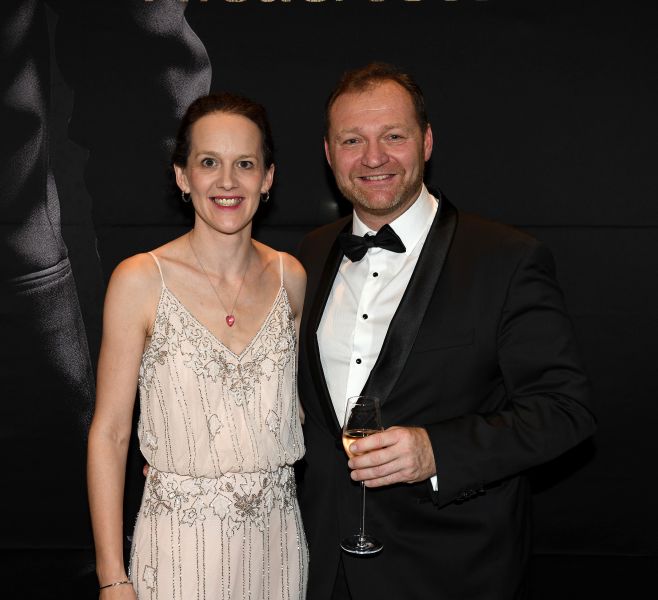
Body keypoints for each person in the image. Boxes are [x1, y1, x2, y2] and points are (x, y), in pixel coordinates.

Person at [296, 62, 596, 599]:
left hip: (449, 570)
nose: (373, 157)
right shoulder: (309, 255)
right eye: (352, 140)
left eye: (393, 136)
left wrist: (438, 451)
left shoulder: (505, 259)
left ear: (427, 141)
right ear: (328, 153)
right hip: (320, 567)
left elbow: (564, 411)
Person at [87, 92, 308, 599]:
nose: (227, 181)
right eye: (209, 162)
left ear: (267, 178)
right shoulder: (140, 280)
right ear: (183, 177)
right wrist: (112, 577)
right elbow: (110, 434)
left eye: (245, 164)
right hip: (178, 553)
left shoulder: (290, 278)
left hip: (277, 551)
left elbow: (295, 409)